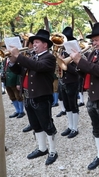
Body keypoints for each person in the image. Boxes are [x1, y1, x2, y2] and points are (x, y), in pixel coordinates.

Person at [69, 22, 99, 175]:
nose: (93, 43)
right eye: (93, 40)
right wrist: (77, 65)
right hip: (92, 96)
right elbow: (86, 72)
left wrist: (79, 61)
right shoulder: (92, 54)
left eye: (96, 40)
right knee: (96, 129)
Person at [8, 29, 58, 165]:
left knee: (47, 124)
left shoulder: (49, 57)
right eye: (33, 42)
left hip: (41, 96)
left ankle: (53, 150)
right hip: (29, 96)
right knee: (35, 124)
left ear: (45, 45)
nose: (33, 44)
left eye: (36, 42)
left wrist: (19, 57)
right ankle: (42, 148)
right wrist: (12, 61)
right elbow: (21, 70)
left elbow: (38, 67)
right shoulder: (31, 57)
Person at [59, 27, 80, 138]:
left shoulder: (75, 52)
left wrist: (64, 63)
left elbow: (77, 71)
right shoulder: (62, 51)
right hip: (63, 81)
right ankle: (70, 126)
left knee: (73, 104)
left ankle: (75, 128)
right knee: (67, 105)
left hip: (72, 81)